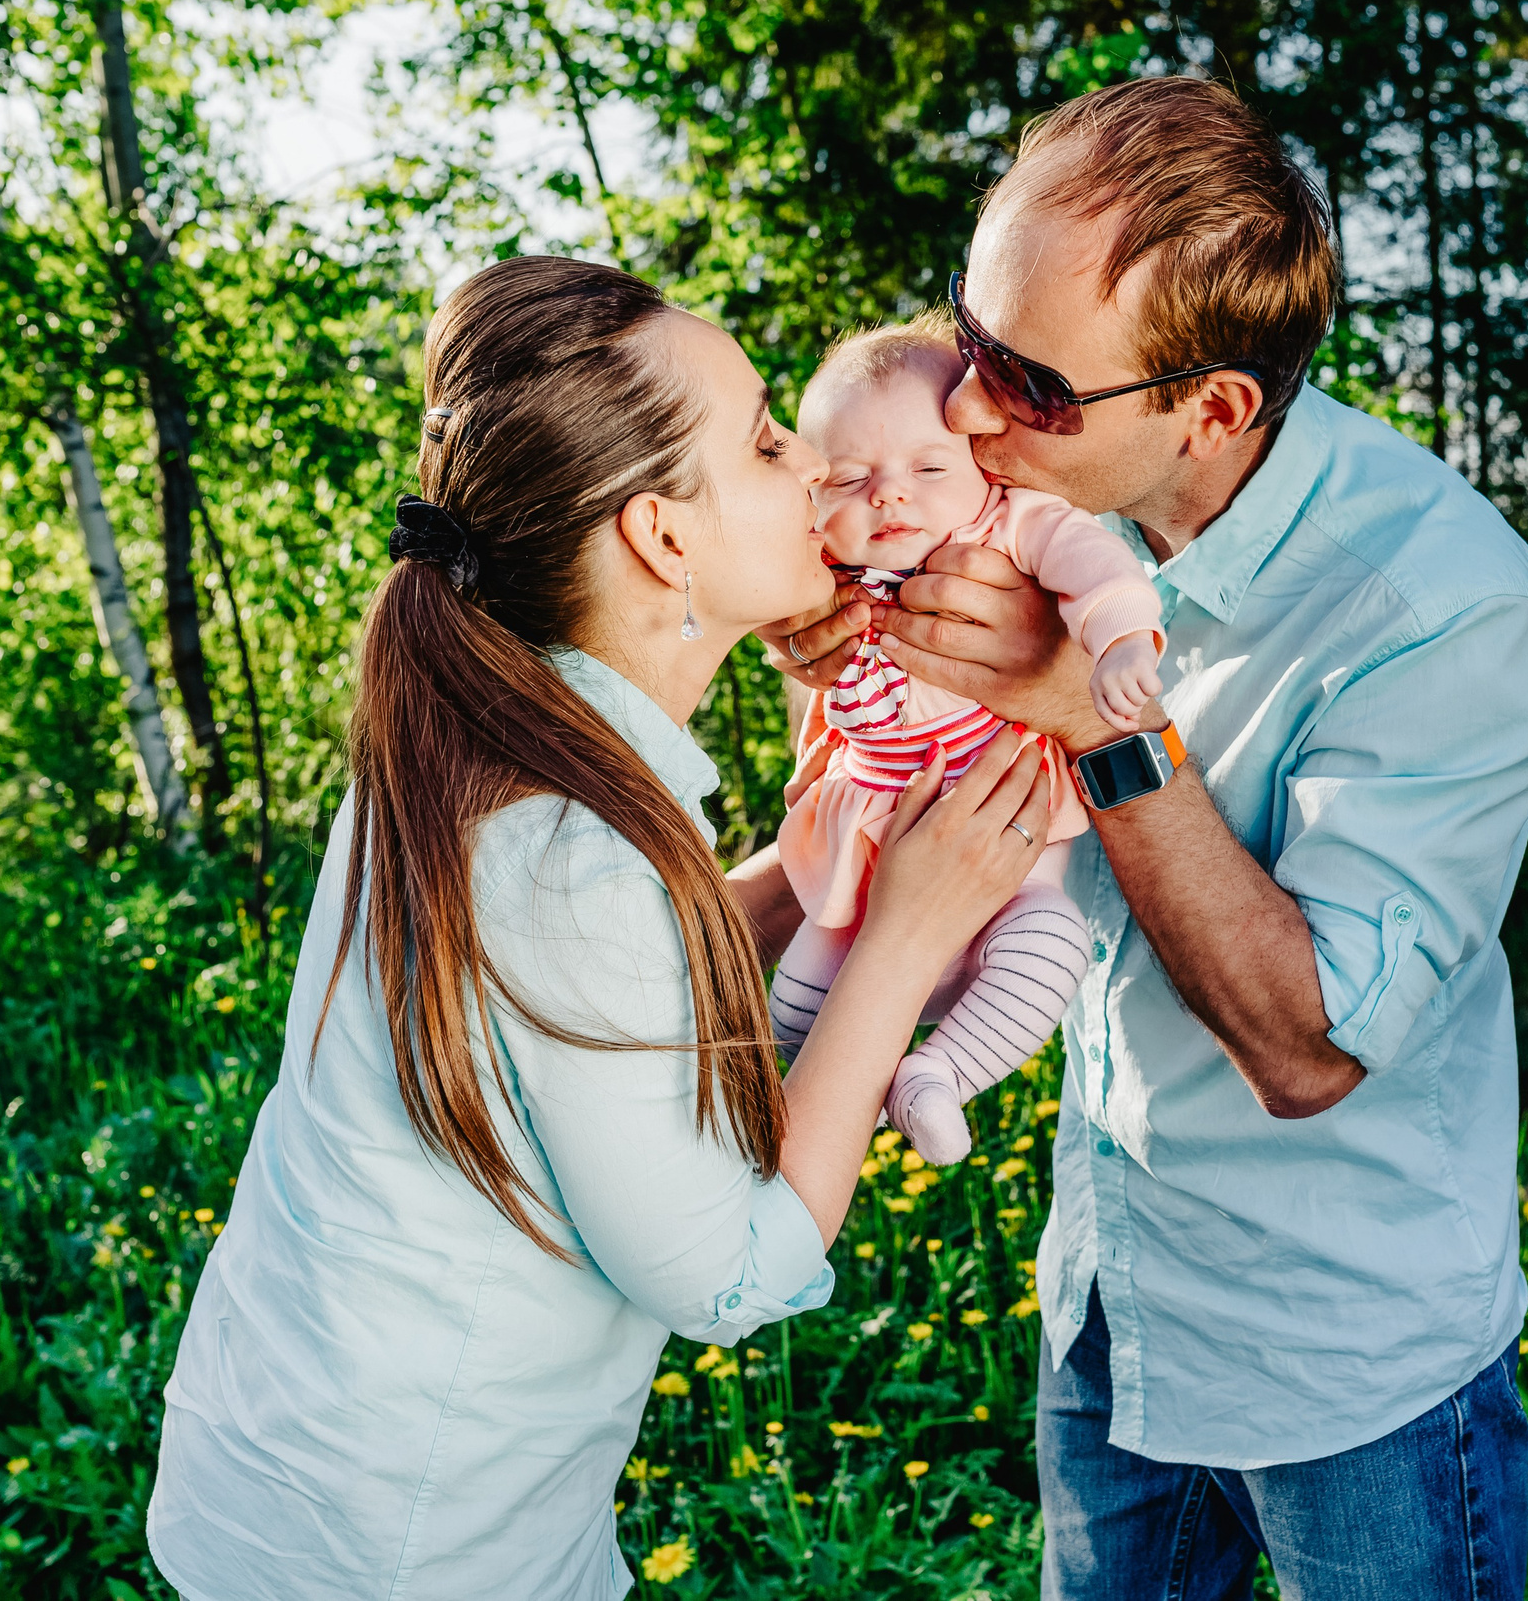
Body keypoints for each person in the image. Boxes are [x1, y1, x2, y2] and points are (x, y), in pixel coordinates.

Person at [146, 256, 1057, 1601]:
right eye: (763, 442)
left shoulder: (469, 739)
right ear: (664, 539)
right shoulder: (579, 855)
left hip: (302, 1475)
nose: (817, 471)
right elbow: (731, 1268)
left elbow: (580, 997)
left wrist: (809, 883)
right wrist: (907, 935)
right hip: (414, 1550)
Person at [764, 77, 1528, 1599]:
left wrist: (1095, 718)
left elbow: (1308, 1045)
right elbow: (891, 792)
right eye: (973, 336)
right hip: (1112, 1303)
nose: (970, 408)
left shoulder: (1443, 608)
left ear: (1211, 409)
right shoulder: (1019, 491)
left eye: (1037, 384)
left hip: (1354, 1364)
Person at [770, 317, 1165, 1165]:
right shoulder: (825, 570)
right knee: (800, 987)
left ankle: (935, 1075)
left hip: (1006, 865)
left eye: (928, 468)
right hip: (867, 860)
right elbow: (766, 600)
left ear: (979, 466)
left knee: (1053, 946)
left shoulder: (1006, 524)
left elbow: (1095, 564)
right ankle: (795, 1095)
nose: (889, 495)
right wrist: (786, 633)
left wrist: (1124, 639)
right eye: (849, 478)